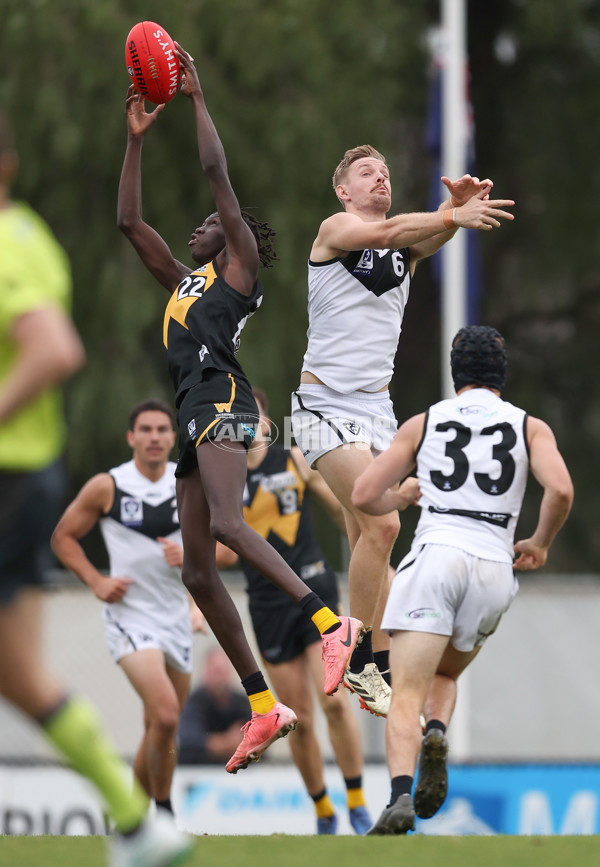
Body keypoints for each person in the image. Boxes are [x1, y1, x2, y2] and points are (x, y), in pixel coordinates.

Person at [117, 44, 363, 775]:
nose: (197, 228)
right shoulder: (185, 282)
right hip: (196, 408)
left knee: (228, 524)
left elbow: (217, 173)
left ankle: (332, 624)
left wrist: (196, 99)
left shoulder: (239, 269)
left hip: (223, 398)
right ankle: (265, 704)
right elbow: (130, 222)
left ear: (234, 236)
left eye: (208, 224)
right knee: (198, 571)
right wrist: (133, 139)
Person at [0, 110, 190, 866]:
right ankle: (139, 826)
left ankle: (142, 821)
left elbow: (53, 348)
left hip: (11, 478)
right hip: (32, 485)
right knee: (19, 677)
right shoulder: (33, 236)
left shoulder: (10, 241)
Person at [291, 145, 515, 717]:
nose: (380, 177)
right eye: (367, 172)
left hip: (375, 413)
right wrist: (447, 215)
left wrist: (453, 208)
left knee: (370, 540)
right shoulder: (336, 229)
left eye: (386, 171)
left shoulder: (402, 248)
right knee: (385, 523)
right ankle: (352, 640)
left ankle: (367, 667)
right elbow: (390, 233)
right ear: (343, 190)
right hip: (320, 407)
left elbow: (416, 240)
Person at [351, 325, 574, 834]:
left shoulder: (425, 422)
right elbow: (560, 490)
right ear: (502, 373)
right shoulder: (530, 426)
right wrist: (539, 542)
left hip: (437, 556)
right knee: (445, 676)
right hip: (494, 566)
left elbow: (364, 494)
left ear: (456, 374)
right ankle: (436, 730)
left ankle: (400, 797)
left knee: (404, 692)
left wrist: (402, 498)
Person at [216, 387, 372, 834]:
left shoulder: (294, 459)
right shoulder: (223, 475)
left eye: (255, 416)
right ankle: (323, 810)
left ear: (266, 422)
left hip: (313, 589)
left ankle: (357, 803)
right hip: (266, 605)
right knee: (295, 716)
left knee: (336, 706)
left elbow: (347, 506)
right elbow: (224, 554)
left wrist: (373, 535)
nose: (247, 425)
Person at [51, 398, 205, 816]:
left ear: (174, 438)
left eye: (162, 430)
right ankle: (164, 814)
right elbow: (63, 538)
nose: (154, 437)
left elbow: (225, 550)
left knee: (160, 728)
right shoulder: (108, 486)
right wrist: (96, 580)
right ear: (131, 437)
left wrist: (190, 555)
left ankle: (131, 819)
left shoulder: (190, 482)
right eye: (146, 430)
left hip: (176, 619)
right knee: (167, 714)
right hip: (130, 618)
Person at [178, 647, 251, 765]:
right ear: (206, 672)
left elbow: (260, 742)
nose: (219, 678)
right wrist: (230, 742)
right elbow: (189, 744)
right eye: (216, 671)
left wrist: (213, 744)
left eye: (222, 672)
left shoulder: (243, 703)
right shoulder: (192, 702)